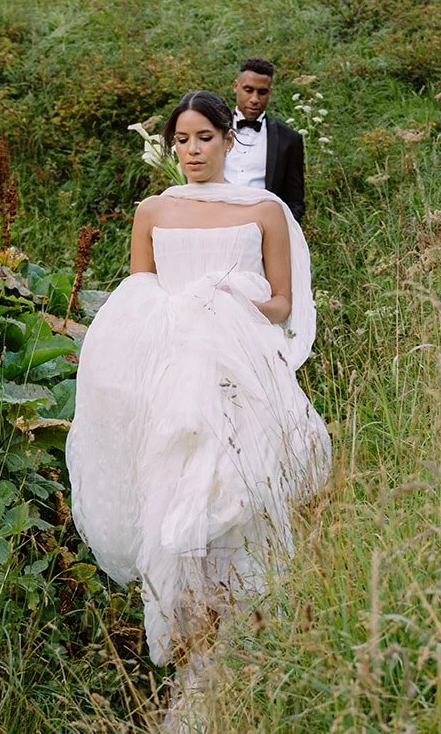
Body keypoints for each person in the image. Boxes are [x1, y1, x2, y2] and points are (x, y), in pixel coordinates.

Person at [66, 89, 330, 665]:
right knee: (177, 496)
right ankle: (192, 635)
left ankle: (248, 633)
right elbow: (139, 295)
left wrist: (225, 301)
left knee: (238, 492)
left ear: (227, 140)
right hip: (173, 370)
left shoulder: (262, 211)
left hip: (238, 368)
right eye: (181, 140)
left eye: (204, 138)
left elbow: (284, 302)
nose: (191, 150)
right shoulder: (153, 211)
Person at [222, 57, 306, 223]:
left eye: (262, 92)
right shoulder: (213, 130)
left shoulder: (289, 140)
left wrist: (277, 230)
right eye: (248, 90)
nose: (254, 99)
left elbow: (295, 201)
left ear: (270, 92)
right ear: (235, 86)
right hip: (216, 224)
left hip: (262, 230)